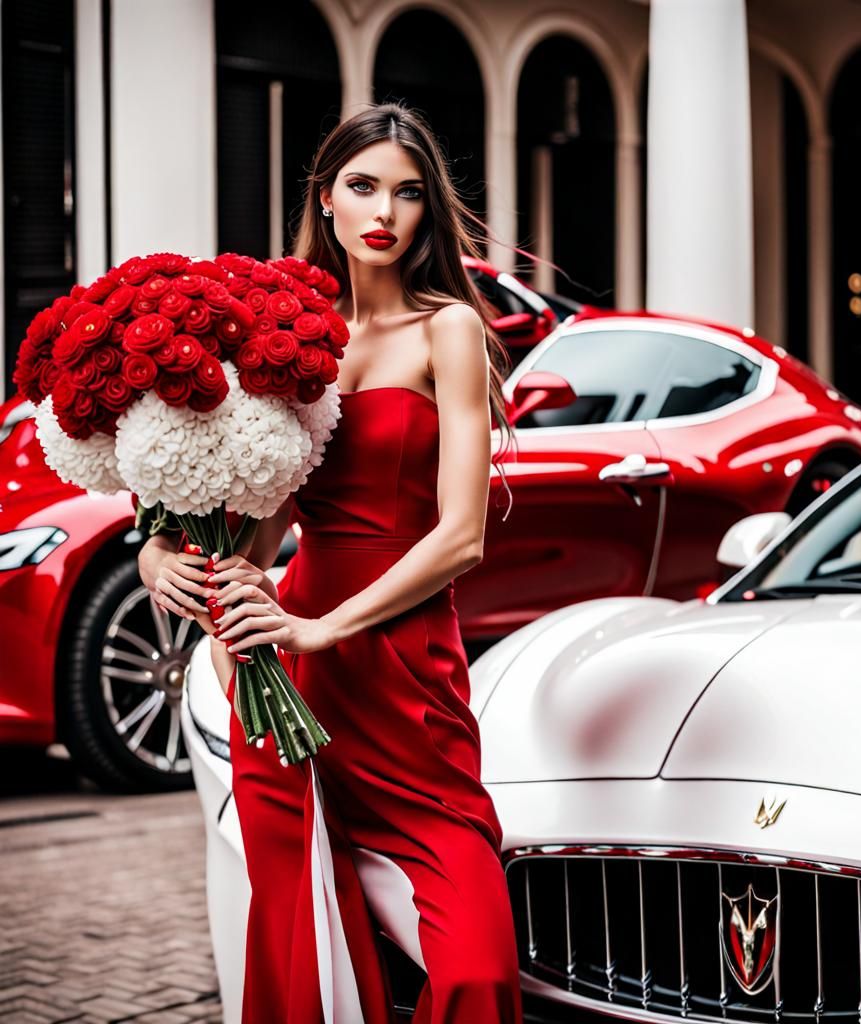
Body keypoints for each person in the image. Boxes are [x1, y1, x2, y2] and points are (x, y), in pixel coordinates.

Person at [138, 101, 521, 1023]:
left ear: (430, 212)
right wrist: (161, 553)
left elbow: (462, 535)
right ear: (327, 199)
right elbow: (260, 534)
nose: (385, 210)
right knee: (294, 925)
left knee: (475, 965)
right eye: (363, 186)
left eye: (409, 192)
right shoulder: (292, 343)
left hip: (398, 668)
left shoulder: (447, 334)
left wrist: (322, 624)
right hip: (280, 671)